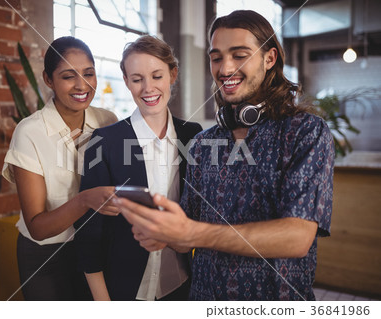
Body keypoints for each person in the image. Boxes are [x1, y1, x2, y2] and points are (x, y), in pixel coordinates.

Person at [115, 10, 334, 301]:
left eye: (239, 55)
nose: (225, 68)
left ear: (269, 58)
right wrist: (166, 233)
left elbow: (297, 238)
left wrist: (193, 233)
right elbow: (186, 237)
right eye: (216, 57)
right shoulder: (203, 144)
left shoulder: (306, 132)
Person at [74, 35, 203, 301]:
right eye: (137, 79)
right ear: (126, 82)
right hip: (123, 291)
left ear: (172, 75)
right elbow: (89, 230)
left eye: (157, 76)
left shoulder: (194, 136)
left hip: (181, 286)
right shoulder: (104, 141)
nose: (148, 88)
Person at [2, 36, 118, 300]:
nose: (82, 85)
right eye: (69, 76)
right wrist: (86, 200)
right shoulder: (30, 131)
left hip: (97, 249)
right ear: (48, 79)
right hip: (47, 257)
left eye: (89, 73)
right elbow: (38, 227)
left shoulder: (107, 121)